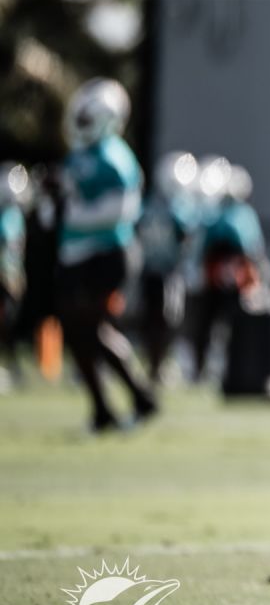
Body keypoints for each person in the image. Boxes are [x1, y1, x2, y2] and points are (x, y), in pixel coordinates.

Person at [56, 78, 156, 432]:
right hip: (76, 254)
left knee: (91, 327)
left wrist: (75, 215)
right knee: (80, 331)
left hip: (107, 253)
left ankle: (137, 397)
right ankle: (105, 408)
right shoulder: (77, 156)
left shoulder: (115, 157)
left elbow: (120, 211)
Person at [190, 158, 267, 382]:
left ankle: (229, 367)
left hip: (235, 281)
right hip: (218, 282)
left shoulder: (240, 215)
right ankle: (205, 368)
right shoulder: (217, 215)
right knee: (209, 326)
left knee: (229, 327)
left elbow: (252, 251)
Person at [136, 151, 200, 383]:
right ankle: (157, 364)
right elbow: (187, 233)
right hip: (163, 272)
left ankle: (158, 363)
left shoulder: (153, 204)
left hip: (159, 271)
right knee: (164, 319)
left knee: (161, 319)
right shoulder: (169, 206)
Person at [0, 162, 29, 390]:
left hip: (11, 278)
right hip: (4, 278)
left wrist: (16, 275)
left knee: (9, 323)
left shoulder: (15, 214)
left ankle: (12, 366)